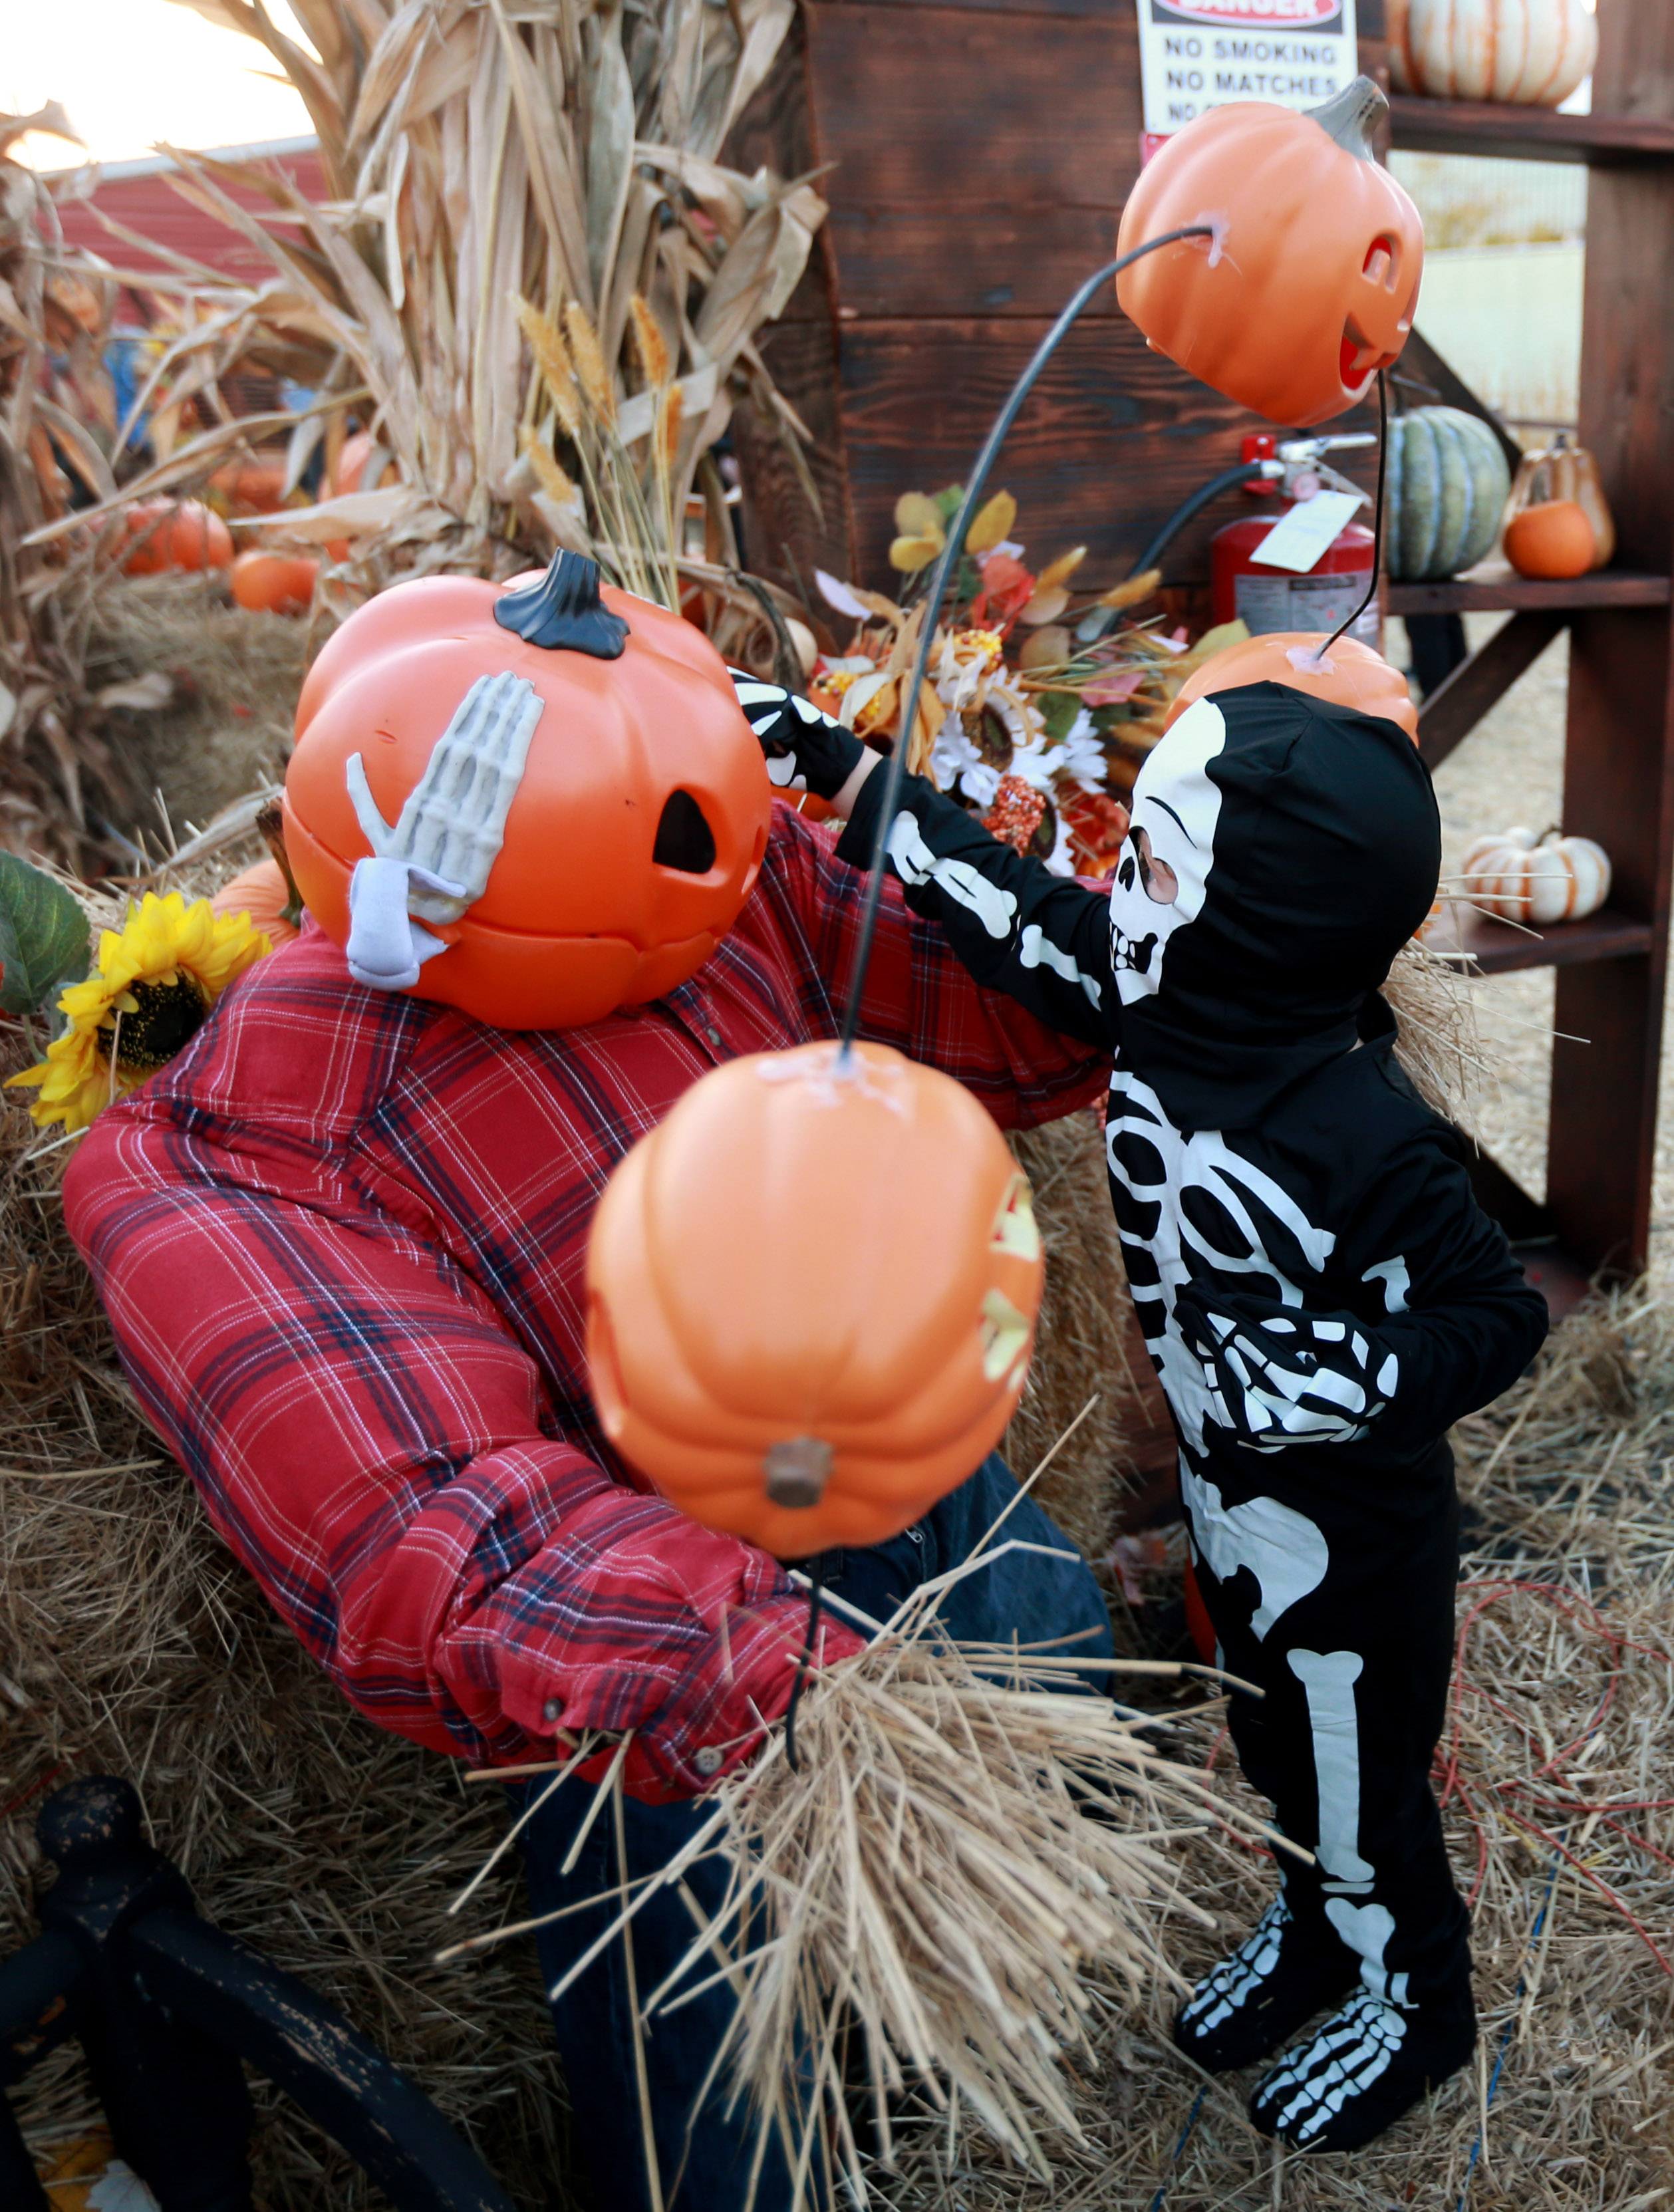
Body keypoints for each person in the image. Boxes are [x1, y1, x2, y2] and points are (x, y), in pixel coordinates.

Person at [62, 777, 1114, 2212]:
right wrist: (746, 1667)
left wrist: (898, 811)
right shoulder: (233, 1133)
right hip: (658, 1629)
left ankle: (955, 2063)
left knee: (1053, 1693)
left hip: (932, 1489)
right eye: (484, 765)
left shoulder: (706, 881)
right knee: (721, 2087)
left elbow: (1026, 1011)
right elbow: (421, 1510)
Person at [737, 668, 1550, 2154]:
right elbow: (990, 898)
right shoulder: (1149, 989)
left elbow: (1495, 1317)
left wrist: (1344, 1379)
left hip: (1349, 1537)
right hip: (1227, 1506)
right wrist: (834, 769)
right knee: (1267, 1740)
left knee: (1358, 1769)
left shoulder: (1357, 1126)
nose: (1120, 893)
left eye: (1159, 865)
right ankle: (1318, 1926)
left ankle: (1414, 1994)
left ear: (1265, 915)